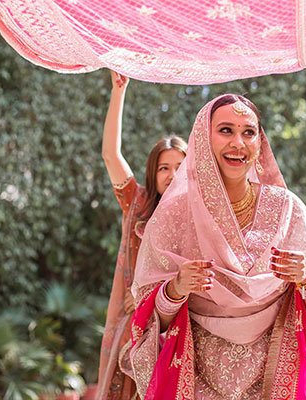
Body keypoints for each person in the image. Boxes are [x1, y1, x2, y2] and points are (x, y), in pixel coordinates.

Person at [122, 94, 306, 399]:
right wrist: (176, 288)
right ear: (204, 138)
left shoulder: (285, 208)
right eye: (226, 130)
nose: (238, 143)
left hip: (273, 377)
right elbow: (148, 320)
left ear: (260, 141)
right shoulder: (175, 216)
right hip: (197, 380)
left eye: (248, 132)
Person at [96, 70, 187, 400]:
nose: (172, 174)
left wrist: (150, 292)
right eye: (164, 167)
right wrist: (118, 92)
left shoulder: (200, 216)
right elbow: (110, 155)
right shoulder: (139, 203)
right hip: (134, 327)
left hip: (178, 328)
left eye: (180, 166)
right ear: (154, 173)